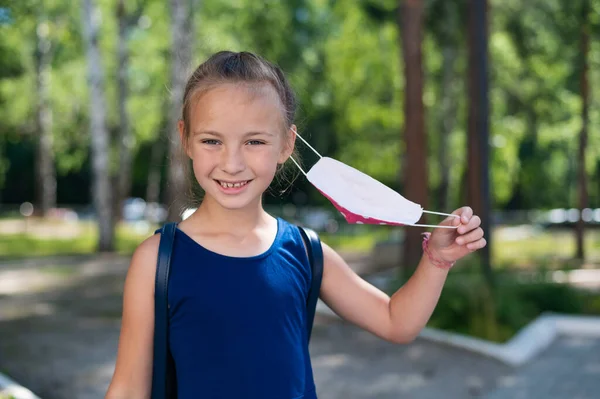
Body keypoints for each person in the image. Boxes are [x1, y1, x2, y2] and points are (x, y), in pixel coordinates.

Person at [105, 51, 486, 399]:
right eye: (211, 141)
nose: (232, 163)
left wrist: (437, 260)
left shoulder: (304, 251)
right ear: (185, 139)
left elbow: (396, 322)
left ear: (287, 144)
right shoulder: (158, 261)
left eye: (254, 141)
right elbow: (127, 390)